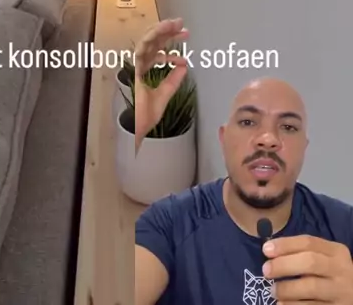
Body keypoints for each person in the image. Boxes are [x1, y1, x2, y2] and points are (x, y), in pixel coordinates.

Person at [135, 18, 353, 304]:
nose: (268, 138)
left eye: (288, 127)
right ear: (223, 138)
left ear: (304, 148)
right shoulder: (169, 223)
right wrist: (138, 125)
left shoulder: (344, 227)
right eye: (248, 122)